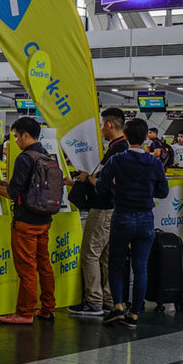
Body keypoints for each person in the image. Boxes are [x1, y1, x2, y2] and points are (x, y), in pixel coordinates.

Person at [0, 117, 56, 324]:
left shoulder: (25, 158)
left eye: (16, 137)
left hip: (25, 223)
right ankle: (47, 308)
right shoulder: (45, 154)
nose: (15, 141)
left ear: (25, 135)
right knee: (44, 265)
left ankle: (24, 313)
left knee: (27, 269)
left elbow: (12, 194)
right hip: (44, 219)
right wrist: (6, 182)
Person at [97, 118, 169, 328]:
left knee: (117, 265)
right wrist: (147, 191)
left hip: (122, 216)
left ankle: (118, 306)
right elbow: (163, 192)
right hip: (146, 218)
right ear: (147, 136)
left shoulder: (117, 160)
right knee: (141, 268)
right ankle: (135, 314)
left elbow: (100, 187)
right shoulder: (155, 163)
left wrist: (115, 186)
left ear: (126, 136)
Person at [67, 108, 128, 316]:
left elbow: (106, 182)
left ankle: (93, 301)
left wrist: (87, 179)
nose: (101, 129)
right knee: (107, 257)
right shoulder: (121, 148)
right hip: (115, 209)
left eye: (102, 125)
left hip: (103, 208)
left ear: (110, 125)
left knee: (89, 254)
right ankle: (109, 299)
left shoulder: (116, 151)